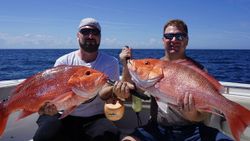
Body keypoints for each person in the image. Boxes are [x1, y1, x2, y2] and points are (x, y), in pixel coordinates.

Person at [120, 19, 233, 141]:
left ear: (187, 40)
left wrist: (191, 114)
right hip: (157, 129)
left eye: (179, 36)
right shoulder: (155, 68)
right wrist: (126, 64)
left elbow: (204, 114)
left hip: (193, 131)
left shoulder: (198, 70)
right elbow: (131, 93)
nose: (174, 40)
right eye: (169, 36)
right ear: (163, 40)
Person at [33, 17, 131, 141]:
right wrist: (48, 107)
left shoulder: (110, 62)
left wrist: (117, 89)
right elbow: (53, 95)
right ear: (77, 35)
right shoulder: (63, 61)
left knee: (109, 135)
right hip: (63, 115)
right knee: (44, 136)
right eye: (85, 32)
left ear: (100, 37)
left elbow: (108, 92)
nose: (90, 35)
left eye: (95, 32)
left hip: (95, 117)